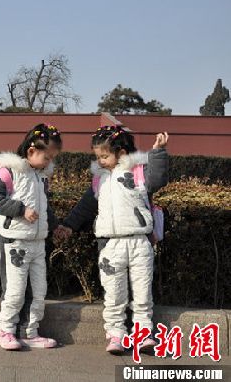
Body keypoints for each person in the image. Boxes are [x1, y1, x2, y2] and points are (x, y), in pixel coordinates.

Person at [59, 126, 169, 355]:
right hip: (109, 245)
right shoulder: (99, 180)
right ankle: (116, 334)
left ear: (121, 152)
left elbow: (158, 180)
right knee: (114, 293)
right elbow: (85, 207)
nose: (100, 161)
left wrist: (157, 151)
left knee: (142, 293)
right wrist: (68, 225)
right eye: (97, 157)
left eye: (104, 156)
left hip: (140, 242)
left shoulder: (138, 171)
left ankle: (144, 334)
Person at [0, 124, 63, 350]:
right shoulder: (8, 171)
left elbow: (45, 208)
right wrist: (20, 209)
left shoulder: (41, 178)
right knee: (15, 289)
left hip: (37, 243)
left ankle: (30, 331)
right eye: (47, 157)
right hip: (14, 241)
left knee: (39, 291)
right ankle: (6, 330)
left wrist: (55, 226)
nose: (49, 162)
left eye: (52, 158)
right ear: (31, 152)